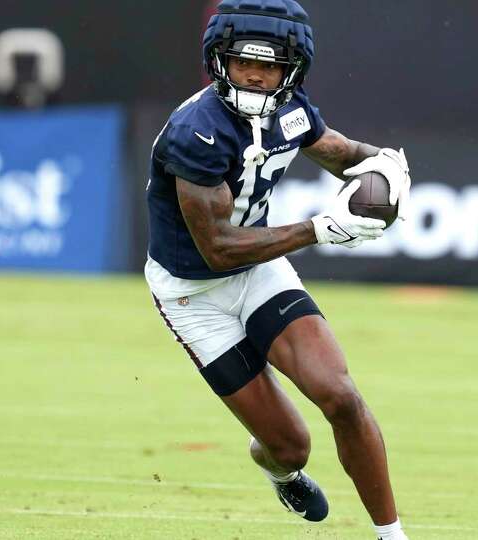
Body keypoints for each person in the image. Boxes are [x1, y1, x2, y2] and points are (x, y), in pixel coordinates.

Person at [144, 2, 411, 539]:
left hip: (261, 271)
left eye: (269, 66)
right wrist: (319, 229)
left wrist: (384, 165)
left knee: (339, 395)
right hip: (194, 293)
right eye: (243, 61)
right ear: (219, 59)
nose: (255, 75)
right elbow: (217, 249)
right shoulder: (195, 132)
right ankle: (279, 469)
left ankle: (392, 536)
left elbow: (344, 154)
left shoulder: (292, 110)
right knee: (292, 445)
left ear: (292, 70)